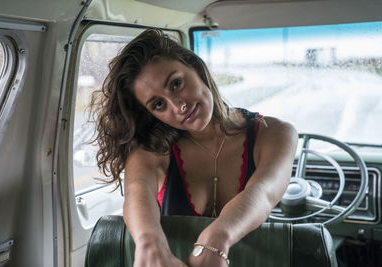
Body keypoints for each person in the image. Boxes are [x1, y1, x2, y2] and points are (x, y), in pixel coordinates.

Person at [90, 28, 298, 267]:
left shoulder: (275, 133)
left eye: (176, 84)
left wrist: (218, 237)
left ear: (196, 68)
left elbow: (263, 193)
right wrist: (149, 243)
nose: (178, 106)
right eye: (159, 104)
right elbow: (137, 191)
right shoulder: (152, 150)